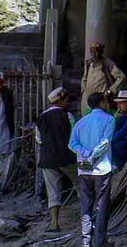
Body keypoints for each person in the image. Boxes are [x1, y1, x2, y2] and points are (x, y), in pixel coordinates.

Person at [70, 93, 116, 247]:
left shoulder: (80, 122)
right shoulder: (109, 119)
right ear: (102, 103)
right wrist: (92, 156)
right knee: (102, 205)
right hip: (101, 168)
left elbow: (72, 144)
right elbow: (105, 143)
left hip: (83, 169)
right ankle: (100, 241)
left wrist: (84, 152)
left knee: (86, 205)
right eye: (106, 101)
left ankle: (85, 241)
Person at [37, 87, 78, 233]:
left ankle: (54, 223)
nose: (68, 103)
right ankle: (88, 215)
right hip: (66, 157)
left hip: (47, 159)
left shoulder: (41, 117)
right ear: (60, 101)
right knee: (81, 184)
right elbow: (74, 138)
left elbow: (39, 140)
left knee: (53, 191)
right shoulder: (68, 116)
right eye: (66, 100)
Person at [81, 42, 126, 114]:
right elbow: (85, 77)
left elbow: (121, 77)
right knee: (87, 118)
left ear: (101, 52)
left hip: (101, 98)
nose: (94, 55)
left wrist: (111, 90)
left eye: (96, 52)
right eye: (92, 52)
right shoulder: (88, 63)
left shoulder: (108, 63)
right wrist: (83, 88)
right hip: (87, 97)